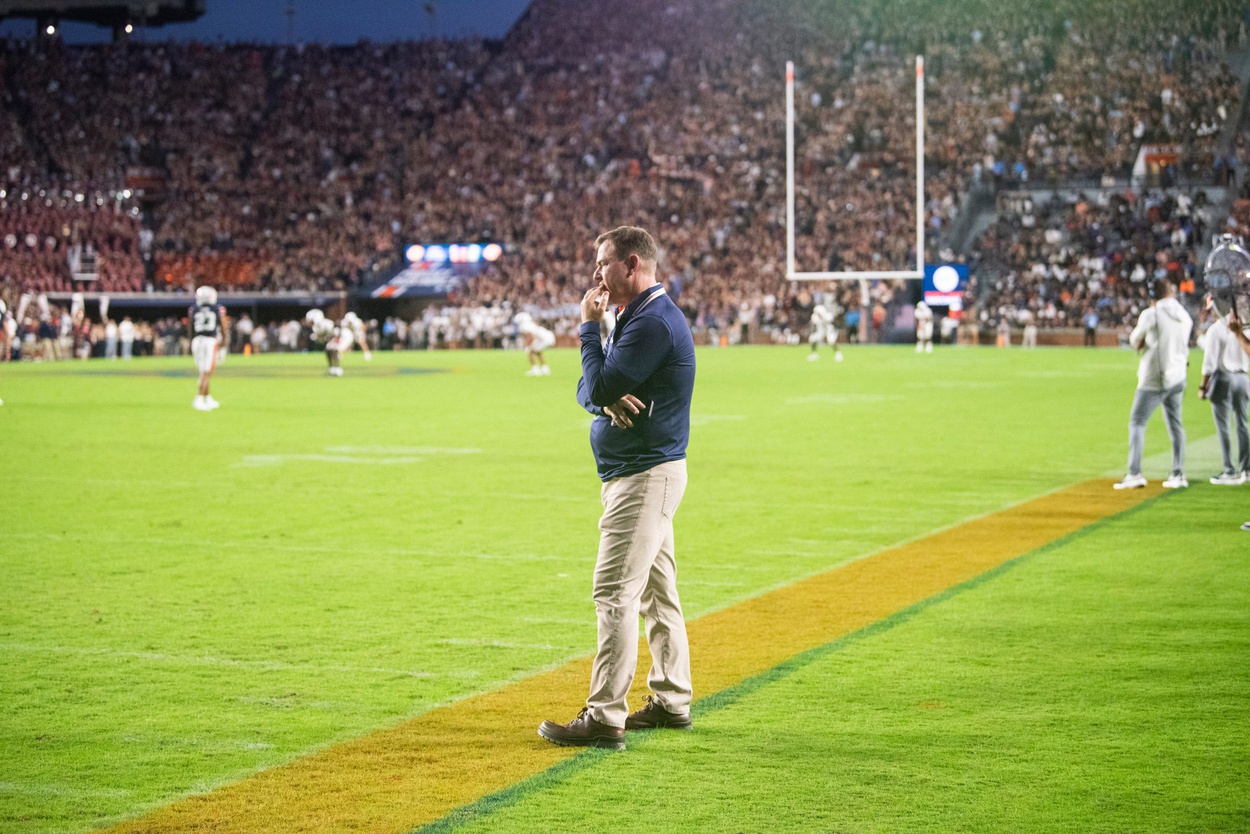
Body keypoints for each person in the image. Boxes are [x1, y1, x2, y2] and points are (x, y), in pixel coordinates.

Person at [539, 225, 696, 751]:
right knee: (657, 595)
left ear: (632, 264)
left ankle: (605, 716)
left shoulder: (650, 321)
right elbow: (592, 388)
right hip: (644, 472)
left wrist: (589, 328)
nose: (595, 274)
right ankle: (673, 700)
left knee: (614, 594)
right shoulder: (641, 315)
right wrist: (602, 397)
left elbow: (600, 381)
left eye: (603, 262)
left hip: (643, 476)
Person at [1114, 278, 1193, 490]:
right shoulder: (1184, 316)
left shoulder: (1150, 314)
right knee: (1176, 425)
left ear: (1152, 295)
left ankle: (1134, 473)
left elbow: (1134, 340)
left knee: (1137, 422)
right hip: (1178, 376)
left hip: (1154, 377)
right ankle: (1178, 473)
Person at [1198, 295, 1249, 484]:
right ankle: (1247, 469)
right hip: (1243, 378)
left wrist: (1203, 387)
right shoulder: (1245, 324)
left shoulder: (1216, 329)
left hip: (1223, 377)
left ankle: (1230, 470)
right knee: (1242, 425)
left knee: (1224, 427)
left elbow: (1209, 364)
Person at [189, 286, 225, 411]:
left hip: (197, 340)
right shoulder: (216, 308)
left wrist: (190, 342)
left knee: (204, 371)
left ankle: (208, 398)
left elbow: (190, 327)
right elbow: (223, 326)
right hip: (209, 340)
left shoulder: (194, 308)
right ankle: (198, 399)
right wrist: (224, 342)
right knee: (206, 372)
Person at [514, 311, 555, 375]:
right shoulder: (530, 323)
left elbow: (531, 335)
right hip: (548, 337)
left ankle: (535, 370)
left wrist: (528, 345)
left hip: (543, 339)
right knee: (538, 352)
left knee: (529, 352)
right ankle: (545, 369)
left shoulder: (525, 325)